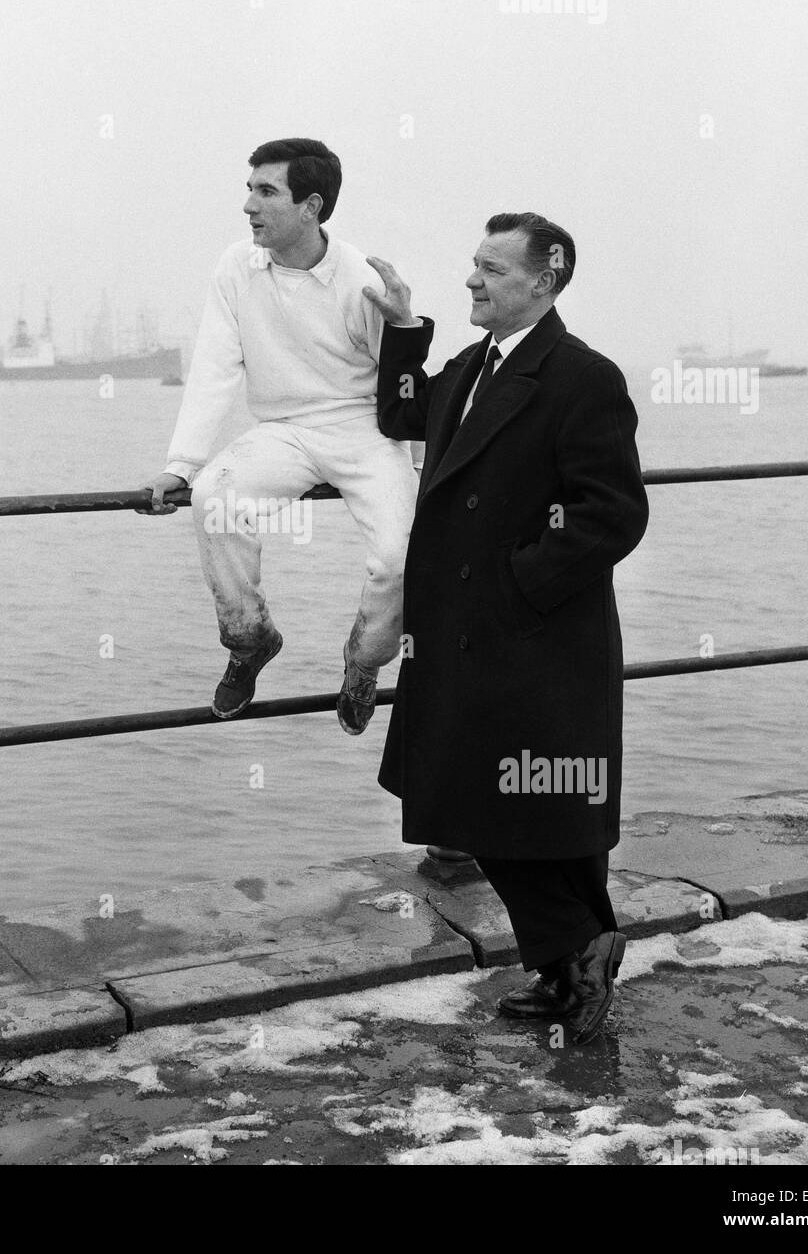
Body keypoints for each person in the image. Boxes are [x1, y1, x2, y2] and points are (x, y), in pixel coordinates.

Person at [366, 213, 648, 1044]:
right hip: (464, 636)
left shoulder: (581, 376)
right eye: (474, 265)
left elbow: (614, 512)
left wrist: (519, 583)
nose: (473, 280)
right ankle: (572, 967)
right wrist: (403, 326)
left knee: (532, 803)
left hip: (537, 635)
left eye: (491, 267)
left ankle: (579, 955)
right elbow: (401, 414)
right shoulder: (468, 367)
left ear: (544, 277)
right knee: (502, 801)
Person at [140, 139, 418, 733]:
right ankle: (249, 639)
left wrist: (404, 326)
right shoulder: (235, 267)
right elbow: (215, 367)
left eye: (266, 191)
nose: (248, 205)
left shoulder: (361, 275)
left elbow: (406, 385)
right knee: (214, 498)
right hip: (282, 430)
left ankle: (364, 663)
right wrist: (183, 464)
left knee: (399, 557)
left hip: (363, 430)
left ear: (311, 206)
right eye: (250, 188)